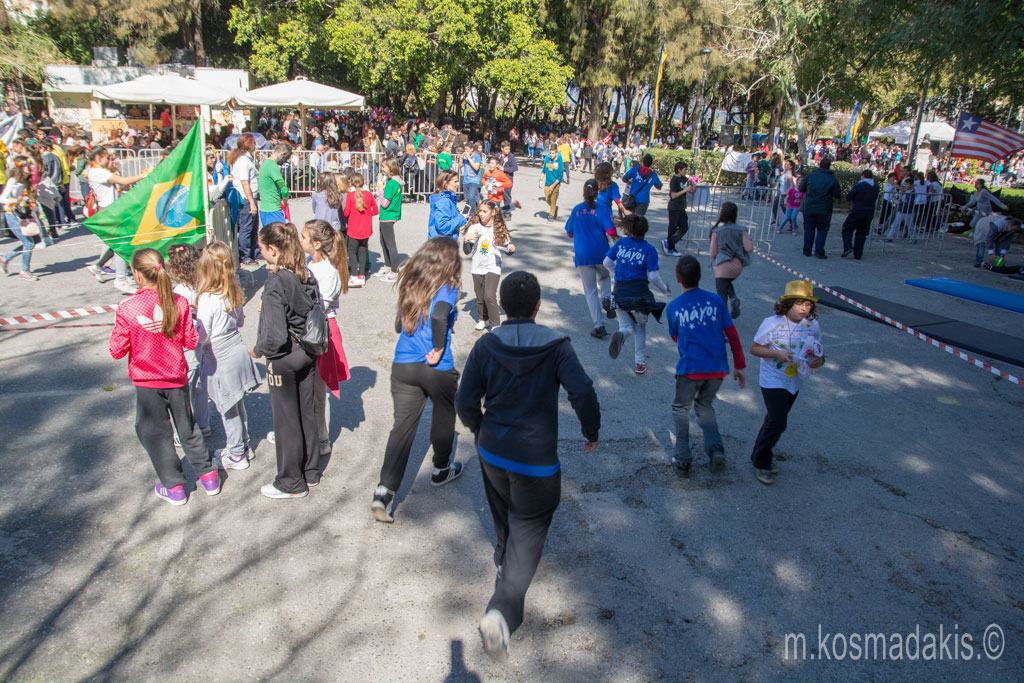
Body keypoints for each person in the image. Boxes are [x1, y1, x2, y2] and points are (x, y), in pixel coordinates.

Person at [454, 270, 600, 662]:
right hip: (535, 460)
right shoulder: (557, 346)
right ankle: (501, 613)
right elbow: (582, 390)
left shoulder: (486, 345)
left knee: (504, 511)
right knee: (528, 533)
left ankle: (505, 559)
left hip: (493, 451)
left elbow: (464, 400)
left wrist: (479, 429)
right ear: (537, 306)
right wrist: (591, 431)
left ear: (501, 305)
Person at [108, 248, 219, 505]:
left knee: (155, 432)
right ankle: (208, 476)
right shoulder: (179, 302)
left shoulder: (127, 307)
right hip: (176, 376)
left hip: (147, 380)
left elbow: (116, 350)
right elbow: (190, 340)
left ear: (137, 274)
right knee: (187, 427)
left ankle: (174, 486)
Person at [371, 237, 464, 523]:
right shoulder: (447, 288)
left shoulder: (410, 286)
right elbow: (439, 315)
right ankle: (440, 469)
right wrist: (438, 347)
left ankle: (384, 492)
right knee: (444, 416)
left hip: (404, 365)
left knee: (402, 428)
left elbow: (399, 325)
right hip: (436, 367)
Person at [250, 222, 322, 499]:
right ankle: (310, 471)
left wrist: (258, 350)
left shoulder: (276, 283)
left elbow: (275, 337)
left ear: (273, 249)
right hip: (307, 352)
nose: (260, 251)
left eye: (261, 247)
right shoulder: (306, 274)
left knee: (286, 420)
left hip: (284, 358)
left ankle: (291, 482)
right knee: (307, 413)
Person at [665, 255, 746, 478]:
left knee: (681, 409)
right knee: (704, 405)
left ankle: (682, 458)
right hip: (716, 368)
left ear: (677, 278)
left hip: (690, 369)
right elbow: (732, 334)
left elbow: (675, 336)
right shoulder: (717, 301)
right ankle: (715, 448)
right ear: (700, 275)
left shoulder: (673, 308)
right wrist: (739, 365)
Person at [748, 280, 824, 485]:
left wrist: (819, 360)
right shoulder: (772, 323)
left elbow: (818, 349)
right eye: (799, 303)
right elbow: (754, 349)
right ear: (787, 304)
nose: (804, 308)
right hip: (772, 378)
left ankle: (758, 454)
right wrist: (777, 353)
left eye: (807, 304)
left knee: (775, 420)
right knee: (778, 421)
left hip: (795, 379)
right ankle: (762, 463)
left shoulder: (812, 325)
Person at [196, 241, 262, 470]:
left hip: (218, 357)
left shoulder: (207, 298)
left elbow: (203, 335)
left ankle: (236, 454)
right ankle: (244, 445)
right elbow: (241, 321)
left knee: (227, 408)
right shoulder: (233, 290)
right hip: (237, 348)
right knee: (237, 403)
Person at [300, 219, 352, 455]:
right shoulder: (309, 263)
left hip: (320, 330)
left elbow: (317, 306)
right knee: (309, 385)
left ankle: (321, 438)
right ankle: (310, 432)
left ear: (317, 244)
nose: (300, 240)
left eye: (303, 236)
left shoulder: (328, 272)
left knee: (318, 388)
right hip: (311, 328)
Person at [604, 214, 671, 375]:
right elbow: (653, 276)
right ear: (645, 230)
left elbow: (606, 262)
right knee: (640, 329)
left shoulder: (621, 243)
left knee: (625, 327)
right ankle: (640, 363)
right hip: (639, 295)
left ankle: (621, 335)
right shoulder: (649, 249)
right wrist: (665, 289)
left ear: (629, 229)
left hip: (620, 292)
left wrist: (617, 274)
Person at [165, 244, 212, 441]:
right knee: (200, 386)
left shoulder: (180, 291)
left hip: (187, 344)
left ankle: (186, 430)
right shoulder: (203, 283)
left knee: (186, 388)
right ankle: (203, 423)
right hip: (203, 341)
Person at [84, 148, 147, 293]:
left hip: (113, 209)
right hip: (109, 211)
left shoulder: (102, 171)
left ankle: (98, 266)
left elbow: (122, 185)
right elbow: (123, 181)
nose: (110, 160)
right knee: (121, 243)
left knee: (114, 244)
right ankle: (121, 279)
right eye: (107, 158)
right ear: (98, 158)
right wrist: (144, 175)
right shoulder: (97, 172)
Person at [565, 179, 614, 339]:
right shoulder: (604, 209)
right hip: (601, 253)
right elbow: (611, 231)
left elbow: (569, 233)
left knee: (590, 291)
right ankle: (607, 298)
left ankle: (599, 325)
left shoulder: (577, 210)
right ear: (597, 193)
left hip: (583, 255)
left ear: (584, 192)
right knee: (605, 278)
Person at [462, 199, 516, 331]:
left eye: (484, 211)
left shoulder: (499, 229)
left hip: (493, 266)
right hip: (477, 266)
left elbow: (508, 247)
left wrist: (510, 248)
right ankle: (483, 319)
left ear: (493, 212)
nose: (481, 214)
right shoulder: (474, 227)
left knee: (489, 296)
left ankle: (495, 324)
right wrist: (466, 240)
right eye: (480, 211)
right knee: (480, 297)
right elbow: (467, 251)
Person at [1, 157, 46, 281]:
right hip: (13, 215)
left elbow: (28, 199)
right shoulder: (13, 180)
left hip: (24, 215)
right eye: (29, 165)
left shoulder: (26, 181)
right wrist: (15, 201)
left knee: (33, 241)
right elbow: (2, 198)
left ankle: (5, 258)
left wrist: (33, 207)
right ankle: (24, 271)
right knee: (28, 243)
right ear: (21, 166)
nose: (32, 167)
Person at [708, 201, 753, 319]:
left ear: (722, 213)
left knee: (721, 296)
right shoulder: (742, 230)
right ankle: (733, 298)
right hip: (737, 265)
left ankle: (722, 323)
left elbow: (712, 254)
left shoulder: (716, 231)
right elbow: (749, 248)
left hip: (723, 265)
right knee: (726, 282)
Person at [798, 158, 841, 258]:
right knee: (822, 230)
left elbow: (801, 189)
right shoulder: (832, 179)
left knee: (809, 229)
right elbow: (837, 194)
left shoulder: (810, 176)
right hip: (824, 208)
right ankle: (819, 251)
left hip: (809, 206)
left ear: (819, 165)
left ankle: (807, 250)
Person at [229, 134, 261, 265]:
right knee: (246, 227)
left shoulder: (246, 159)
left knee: (253, 226)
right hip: (246, 198)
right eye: (253, 143)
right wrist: (251, 202)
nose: (255, 145)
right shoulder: (243, 160)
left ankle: (254, 251)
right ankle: (245, 255)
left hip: (251, 197)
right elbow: (244, 182)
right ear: (248, 145)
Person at [343, 174, 379, 288]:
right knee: (363, 251)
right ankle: (362, 275)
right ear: (363, 182)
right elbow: (376, 210)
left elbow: (346, 212)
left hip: (354, 228)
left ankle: (354, 274)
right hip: (366, 228)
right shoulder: (369, 195)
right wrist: (368, 213)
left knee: (352, 251)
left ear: (352, 183)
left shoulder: (350, 195)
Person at [840, 169, 880, 259]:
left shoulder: (860, 185)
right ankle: (858, 254)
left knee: (847, 228)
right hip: (869, 212)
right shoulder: (876, 186)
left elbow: (849, 197)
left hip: (858, 210)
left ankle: (848, 246)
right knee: (862, 233)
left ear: (863, 176)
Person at [375, 158, 404, 281]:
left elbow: (385, 203)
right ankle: (387, 265)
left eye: (384, 166)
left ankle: (395, 271)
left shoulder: (393, 183)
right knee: (383, 241)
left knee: (390, 243)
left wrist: (380, 189)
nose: (382, 169)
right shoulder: (391, 181)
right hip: (385, 216)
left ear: (391, 167)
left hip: (388, 215)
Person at [663, 161, 694, 257]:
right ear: (679, 170)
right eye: (684, 170)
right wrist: (685, 190)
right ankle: (670, 246)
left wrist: (693, 183)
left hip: (682, 207)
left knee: (684, 227)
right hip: (674, 207)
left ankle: (670, 242)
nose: (685, 171)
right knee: (673, 227)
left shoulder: (685, 179)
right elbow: (673, 195)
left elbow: (692, 190)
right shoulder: (674, 180)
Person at [258, 142, 291, 226]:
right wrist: (285, 202)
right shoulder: (273, 166)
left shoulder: (264, 164)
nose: (285, 161)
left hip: (264, 209)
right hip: (274, 209)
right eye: (286, 158)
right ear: (283, 153)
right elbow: (284, 189)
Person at [428, 169, 467, 239]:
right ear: (446, 183)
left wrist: (456, 213)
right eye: (455, 182)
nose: (458, 184)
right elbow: (443, 227)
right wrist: (461, 218)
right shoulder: (444, 201)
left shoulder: (446, 198)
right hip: (442, 242)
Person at [622, 154, 663, 218]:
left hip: (632, 198)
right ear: (651, 164)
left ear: (642, 161)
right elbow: (659, 186)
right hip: (643, 200)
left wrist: (630, 182)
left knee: (629, 219)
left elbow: (624, 179)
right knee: (639, 220)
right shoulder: (653, 175)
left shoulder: (635, 169)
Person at [540, 146, 563, 221]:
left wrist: (553, 185)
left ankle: (551, 215)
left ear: (556, 153)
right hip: (547, 183)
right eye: (550, 153)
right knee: (547, 199)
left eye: (553, 153)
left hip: (555, 184)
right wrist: (540, 180)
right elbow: (544, 170)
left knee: (553, 200)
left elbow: (560, 177)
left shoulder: (559, 161)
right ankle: (555, 208)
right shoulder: (547, 158)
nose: (551, 155)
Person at [462, 142, 484, 214]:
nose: (466, 151)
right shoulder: (465, 157)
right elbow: (460, 166)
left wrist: (469, 158)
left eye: (467, 149)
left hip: (474, 180)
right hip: (466, 181)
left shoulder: (477, 156)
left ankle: (473, 213)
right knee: (467, 199)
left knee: (471, 197)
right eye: (465, 149)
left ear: (472, 149)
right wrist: (461, 158)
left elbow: (476, 167)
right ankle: (467, 213)